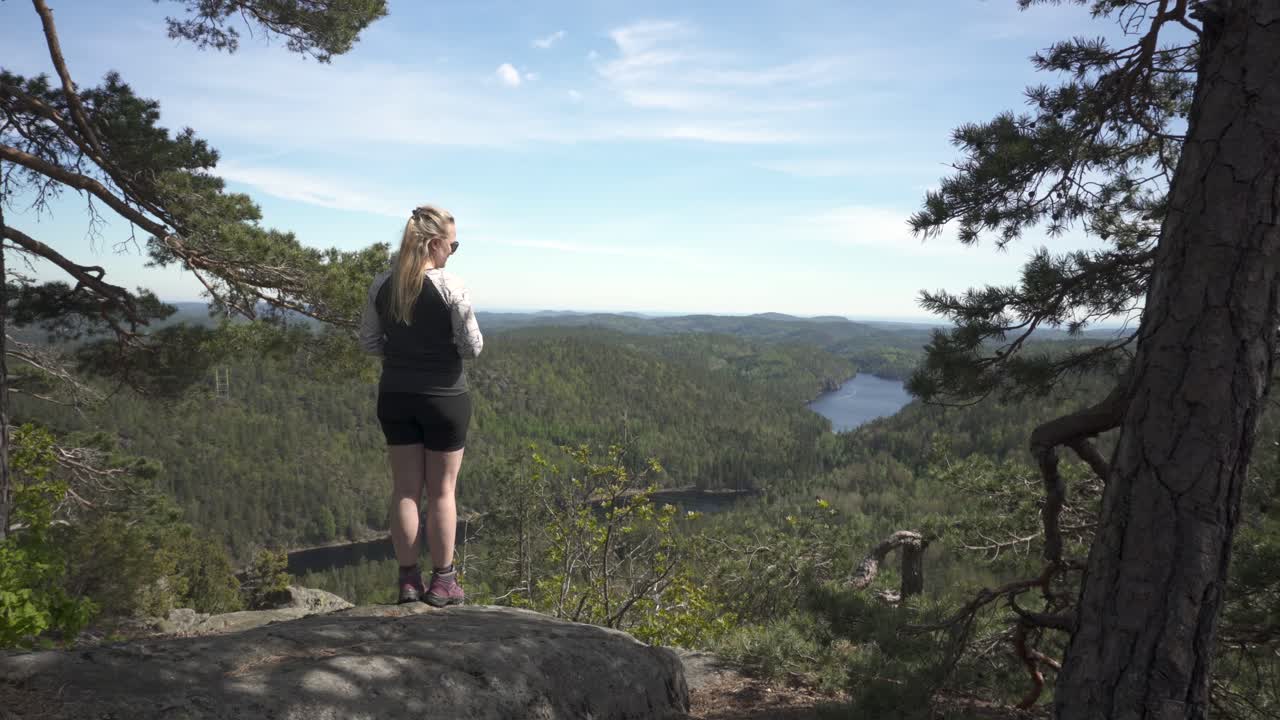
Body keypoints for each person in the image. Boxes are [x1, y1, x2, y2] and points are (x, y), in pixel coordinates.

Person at [358, 204, 483, 606]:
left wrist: (403, 357)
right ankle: (443, 583)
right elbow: (472, 347)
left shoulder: (382, 285)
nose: (453, 251)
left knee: (405, 490)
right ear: (435, 244)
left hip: (395, 395)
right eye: (453, 244)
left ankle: (408, 581)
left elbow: (368, 342)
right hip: (444, 397)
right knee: (443, 492)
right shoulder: (452, 287)